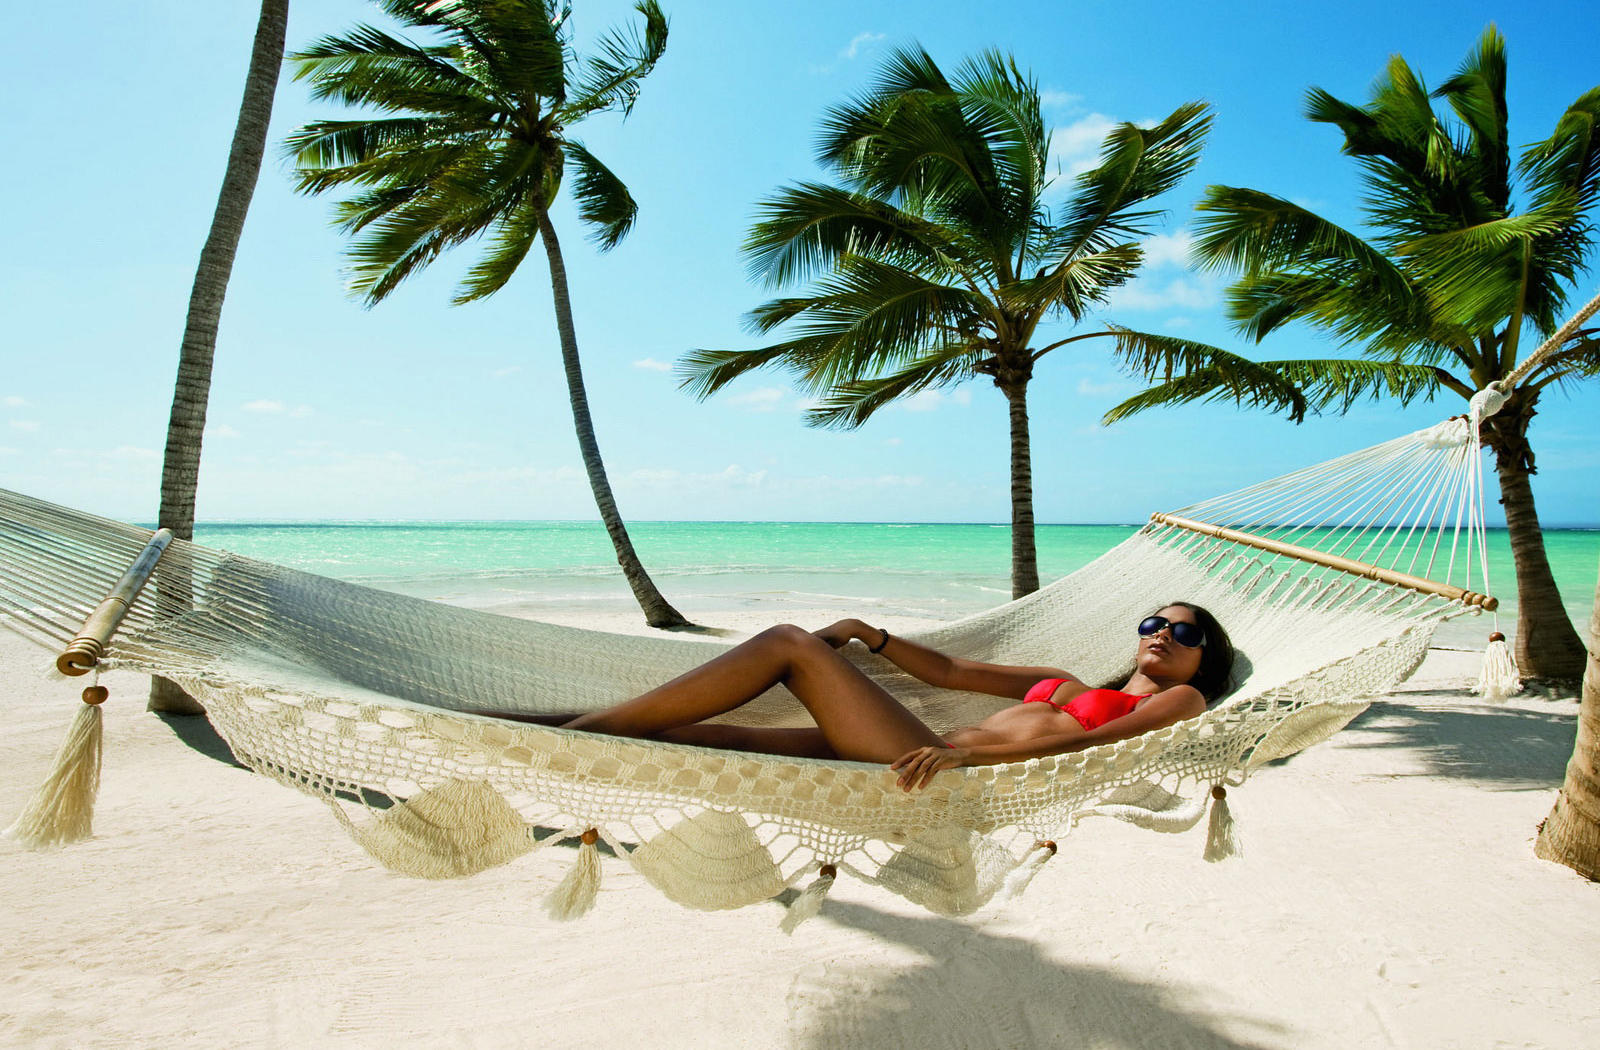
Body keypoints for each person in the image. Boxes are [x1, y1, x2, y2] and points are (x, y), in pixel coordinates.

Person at [560, 602, 1235, 792]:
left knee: (792, 643)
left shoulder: (1177, 704)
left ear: (1207, 658)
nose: (1164, 635)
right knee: (705, 737)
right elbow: (948, 670)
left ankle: (577, 729)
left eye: (1185, 632)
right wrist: (865, 634)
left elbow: (1092, 744)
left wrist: (968, 763)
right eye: (1154, 623)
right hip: (919, 753)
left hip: (940, 767)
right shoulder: (1068, 681)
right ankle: (541, 726)